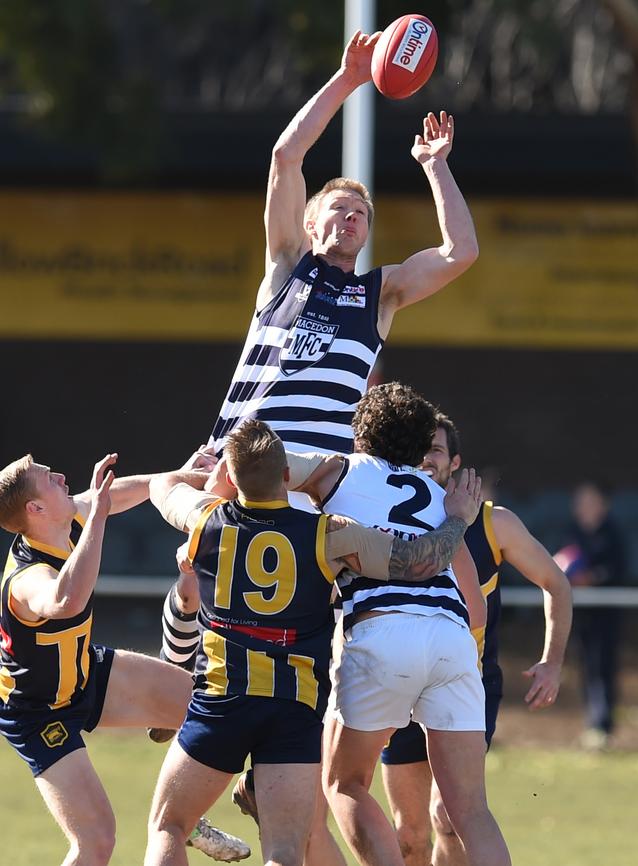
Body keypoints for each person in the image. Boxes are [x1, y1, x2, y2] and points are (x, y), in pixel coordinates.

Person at [160, 26, 479, 676]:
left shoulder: (379, 293)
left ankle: (276, 744)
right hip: (241, 460)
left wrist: (436, 166)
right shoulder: (286, 269)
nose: (351, 216)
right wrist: (348, 79)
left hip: (314, 482)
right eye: (337, 207)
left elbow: (460, 254)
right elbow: (284, 157)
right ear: (310, 223)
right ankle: (179, 685)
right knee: (197, 573)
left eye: (360, 212)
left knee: (296, 623)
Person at [143, 419, 482, 866]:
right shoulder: (327, 533)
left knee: (169, 825)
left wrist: (207, 476)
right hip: (294, 709)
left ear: (231, 478)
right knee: (285, 852)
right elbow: (420, 561)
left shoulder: (205, 518)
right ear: (288, 476)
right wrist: (457, 520)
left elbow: (162, 485)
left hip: (223, 701)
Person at [229, 385, 508, 866]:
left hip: (382, 632)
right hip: (452, 638)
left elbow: (256, 470)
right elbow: (473, 599)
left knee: (344, 782)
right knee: (471, 810)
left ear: (361, 437)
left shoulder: (339, 470)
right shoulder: (438, 497)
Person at [0, 454, 251, 865]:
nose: (61, 475)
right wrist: (97, 518)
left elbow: (132, 489)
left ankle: (186, 812)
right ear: (36, 508)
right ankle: (179, 818)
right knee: (96, 843)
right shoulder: (27, 578)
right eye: (48, 477)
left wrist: (185, 478)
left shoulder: (62, 519)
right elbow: (65, 600)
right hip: (37, 712)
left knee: (212, 706)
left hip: (84, 672)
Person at [376, 411, 573, 866]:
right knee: (409, 835)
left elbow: (557, 584)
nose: (426, 458)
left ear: (455, 463)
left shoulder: (493, 523)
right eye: (418, 449)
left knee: (449, 814)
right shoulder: (382, 518)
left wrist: (552, 660)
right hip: (399, 681)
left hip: (468, 685)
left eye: (437, 450)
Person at [558, 482, 625, 750]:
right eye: (580, 501)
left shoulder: (613, 534)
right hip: (579, 615)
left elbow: (618, 570)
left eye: (589, 501)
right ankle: (592, 722)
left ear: (603, 505)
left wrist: (592, 579)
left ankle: (603, 726)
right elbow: (559, 563)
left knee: (603, 667)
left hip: (606, 616)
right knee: (586, 667)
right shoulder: (571, 533)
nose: (583, 507)